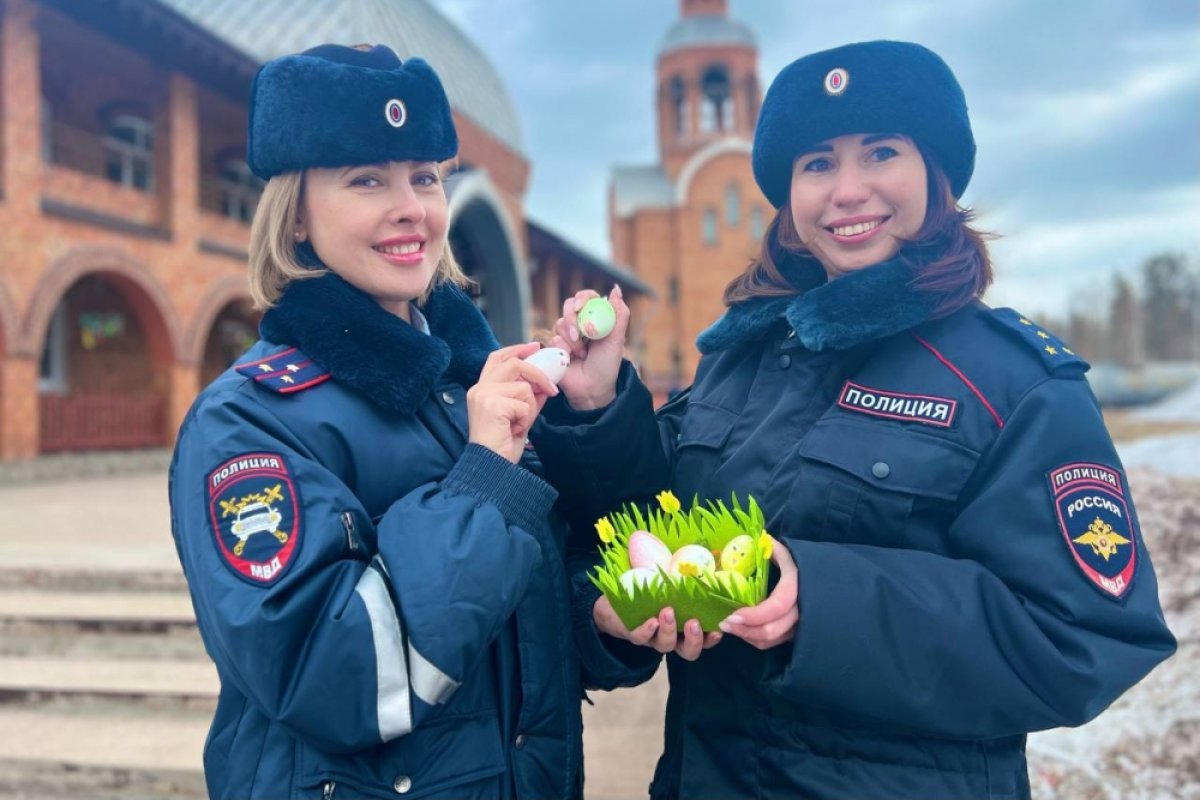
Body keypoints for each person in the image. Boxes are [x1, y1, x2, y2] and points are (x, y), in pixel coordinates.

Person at [531, 40, 1177, 799]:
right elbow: (651, 525)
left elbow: (1085, 636)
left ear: (936, 175)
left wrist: (820, 599)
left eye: (879, 153)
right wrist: (598, 402)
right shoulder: (745, 359)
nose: (846, 190)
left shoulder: (1013, 382)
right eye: (817, 165)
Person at [168, 43, 652, 800]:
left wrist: (599, 613)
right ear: (294, 215)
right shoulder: (247, 421)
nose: (412, 208)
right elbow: (337, 678)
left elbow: (514, 617)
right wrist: (484, 476)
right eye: (366, 179)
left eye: (425, 177)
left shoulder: (462, 383)